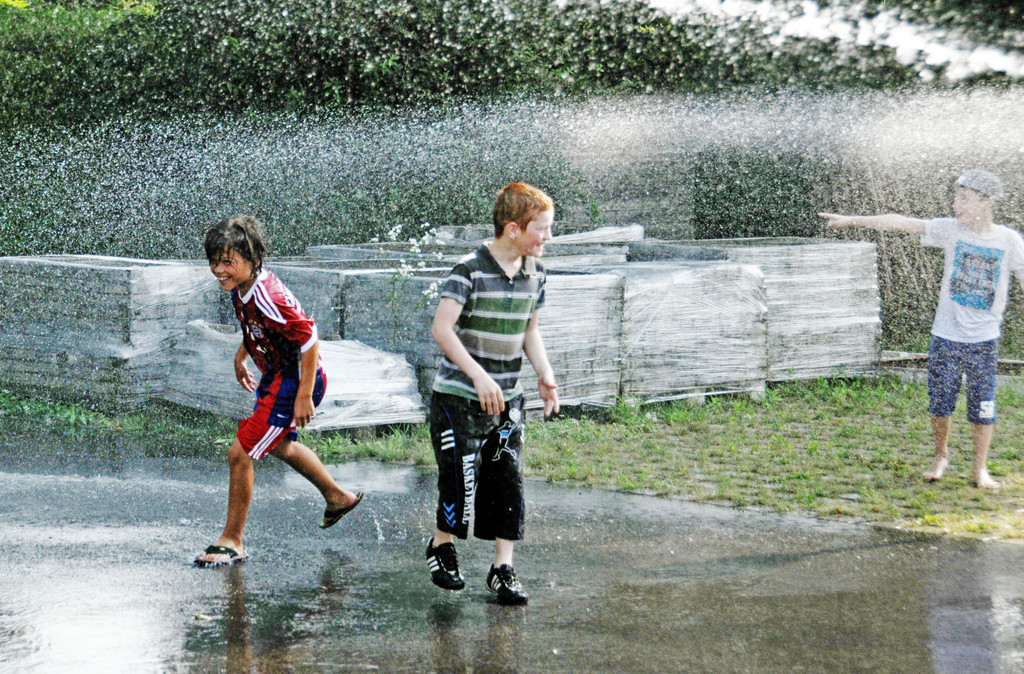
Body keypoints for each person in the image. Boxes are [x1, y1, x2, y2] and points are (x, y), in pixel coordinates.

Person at [819, 169, 1024, 490]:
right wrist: (851, 220)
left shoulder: (1009, 241)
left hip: (984, 341)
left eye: (965, 199)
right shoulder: (951, 230)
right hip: (945, 336)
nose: (957, 205)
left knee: (983, 405)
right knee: (941, 401)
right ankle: (940, 455)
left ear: (987, 203)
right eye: (956, 198)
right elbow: (901, 222)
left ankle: (979, 469)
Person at [195, 215, 362, 567]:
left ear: (253, 260)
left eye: (227, 262)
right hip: (278, 378)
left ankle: (232, 540)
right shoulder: (242, 287)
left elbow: (309, 337)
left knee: (240, 452)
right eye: (214, 261)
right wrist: (242, 355)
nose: (218, 270)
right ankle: (337, 497)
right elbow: (254, 327)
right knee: (279, 444)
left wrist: (303, 395)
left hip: (294, 381)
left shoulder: (269, 295)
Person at [425, 182, 560, 605]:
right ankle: (441, 545)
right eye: (543, 228)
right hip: (458, 398)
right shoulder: (469, 269)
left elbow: (530, 331)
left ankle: (502, 568)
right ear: (514, 227)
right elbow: (442, 329)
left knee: (507, 482)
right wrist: (478, 376)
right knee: (461, 482)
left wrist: (545, 373)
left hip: (508, 399)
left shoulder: (536, 273)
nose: (549, 238)